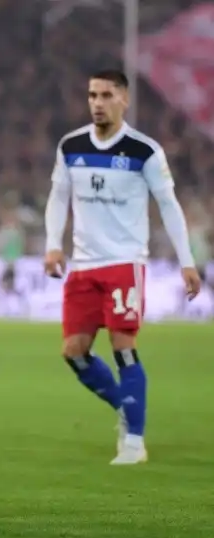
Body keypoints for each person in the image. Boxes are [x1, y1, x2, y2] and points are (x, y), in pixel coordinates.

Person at [43, 69, 201, 465]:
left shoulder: (144, 151)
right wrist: (52, 246)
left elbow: (168, 205)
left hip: (124, 263)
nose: (98, 103)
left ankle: (134, 441)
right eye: (92, 95)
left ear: (124, 100)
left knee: (123, 348)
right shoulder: (71, 145)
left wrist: (186, 262)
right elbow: (58, 197)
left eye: (106, 95)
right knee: (74, 352)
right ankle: (126, 406)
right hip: (83, 266)